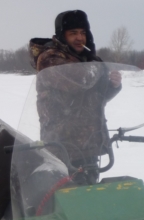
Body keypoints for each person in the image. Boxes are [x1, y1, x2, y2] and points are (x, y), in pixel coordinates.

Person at [27, 10, 122, 185]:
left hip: (89, 146)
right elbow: (80, 80)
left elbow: (94, 98)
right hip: (63, 147)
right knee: (70, 203)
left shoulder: (84, 58)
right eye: (73, 33)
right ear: (62, 35)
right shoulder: (50, 58)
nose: (80, 38)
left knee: (91, 200)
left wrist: (112, 86)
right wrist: (100, 67)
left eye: (83, 33)